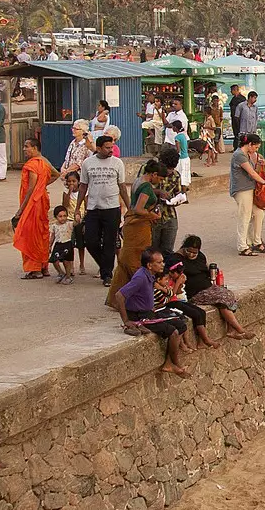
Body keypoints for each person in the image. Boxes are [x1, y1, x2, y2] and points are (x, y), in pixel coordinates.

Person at [115, 247, 196, 377]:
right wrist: (126, 321)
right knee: (173, 332)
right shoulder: (140, 277)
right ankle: (176, 364)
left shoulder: (150, 275)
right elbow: (119, 295)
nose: (162, 265)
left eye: (162, 261)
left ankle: (169, 364)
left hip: (149, 311)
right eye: (159, 262)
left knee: (181, 324)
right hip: (140, 316)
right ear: (149, 265)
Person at [105, 159, 169, 307]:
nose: (158, 182)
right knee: (137, 262)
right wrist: (153, 215)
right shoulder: (146, 187)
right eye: (159, 178)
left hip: (131, 225)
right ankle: (141, 297)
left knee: (124, 263)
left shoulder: (139, 181)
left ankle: (116, 299)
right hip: (138, 227)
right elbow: (139, 209)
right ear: (153, 174)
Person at [173, 236, 253, 340]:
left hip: (207, 286)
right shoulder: (176, 259)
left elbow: (205, 269)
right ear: (184, 248)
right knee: (222, 298)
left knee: (228, 294)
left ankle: (230, 329)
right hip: (194, 292)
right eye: (189, 251)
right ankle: (240, 329)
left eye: (195, 252)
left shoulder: (200, 256)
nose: (192, 254)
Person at [78, 134, 127, 284]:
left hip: (112, 208)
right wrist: (77, 208)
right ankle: (106, 266)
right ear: (98, 148)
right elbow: (83, 186)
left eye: (111, 147)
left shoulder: (118, 163)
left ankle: (107, 275)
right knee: (90, 240)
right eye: (107, 148)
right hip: (93, 208)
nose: (110, 150)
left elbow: (122, 187)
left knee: (109, 242)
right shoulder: (88, 163)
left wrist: (129, 207)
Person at [12, 135, 56, 278]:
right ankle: (44, 267)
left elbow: (30, 188)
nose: (24, 149)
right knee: (41, 233)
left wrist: (20, 210)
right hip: (41, 200)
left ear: (35, 148)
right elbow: (56, 174)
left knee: (29, 235)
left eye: (26, 146)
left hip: (33, 204)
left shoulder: (32, 165)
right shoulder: (43, 162)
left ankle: (35, 269)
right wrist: (42, 187)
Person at [49, 177, 82, 284]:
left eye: (64, 216)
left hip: (67, 244)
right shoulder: (54, 226)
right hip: (58, 244)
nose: (62, 218)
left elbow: (76, 224)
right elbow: (53, 236)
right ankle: (61, 273)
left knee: (67, 261)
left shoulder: (69, 224)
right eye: (60, 216)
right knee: (54, 260)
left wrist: (78, 218)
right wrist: (49, 245)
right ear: (56, 217)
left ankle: (68, 276)